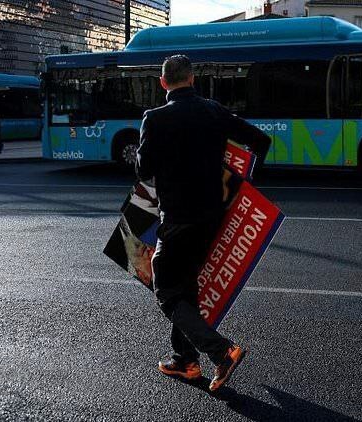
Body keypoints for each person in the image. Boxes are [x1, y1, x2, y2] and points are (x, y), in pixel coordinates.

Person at [136, 55, 271, 392]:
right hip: (212, 219)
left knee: (166, 292)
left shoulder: (154, 118)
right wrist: (244, 186)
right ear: (193, 79)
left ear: (163, 83)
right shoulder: (213, 111)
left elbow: (143, 170)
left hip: (177, 219)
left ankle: (221, 351)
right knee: (186, 289)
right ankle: (186, 362)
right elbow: (261, 141)